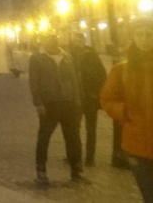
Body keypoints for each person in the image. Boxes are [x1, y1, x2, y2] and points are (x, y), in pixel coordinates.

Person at [101, 16, 153, 203]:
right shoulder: (121, 70)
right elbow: (107, 99)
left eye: (149, 34)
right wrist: (124, 111)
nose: (145, 38)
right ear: (133, 37)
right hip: (136, 146)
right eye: (140, 34)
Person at [28, 33, 88, 185]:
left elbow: (74, 79)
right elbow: (34, 82)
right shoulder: (37, 58)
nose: (52, 42)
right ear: (44, 41)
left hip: (68, 103)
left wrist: (77, 101)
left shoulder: (67, 57)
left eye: (54, 39)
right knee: (44, 138)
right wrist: (38, 102)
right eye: (48, 39)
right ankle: (41, 171)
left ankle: (76, 171)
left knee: (73, 138)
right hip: (49, 104)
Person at [70, 33, 107, 167]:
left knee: (91, 129)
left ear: (84, 41)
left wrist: (96, 94)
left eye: (79, 40)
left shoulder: (91, 55)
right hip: (76, 99)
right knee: (74, 128)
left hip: (90, 98)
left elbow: (102, 75)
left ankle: (90, 157)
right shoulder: (70, 56)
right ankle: (75, 154)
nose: (77, 42)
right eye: (75, 40)